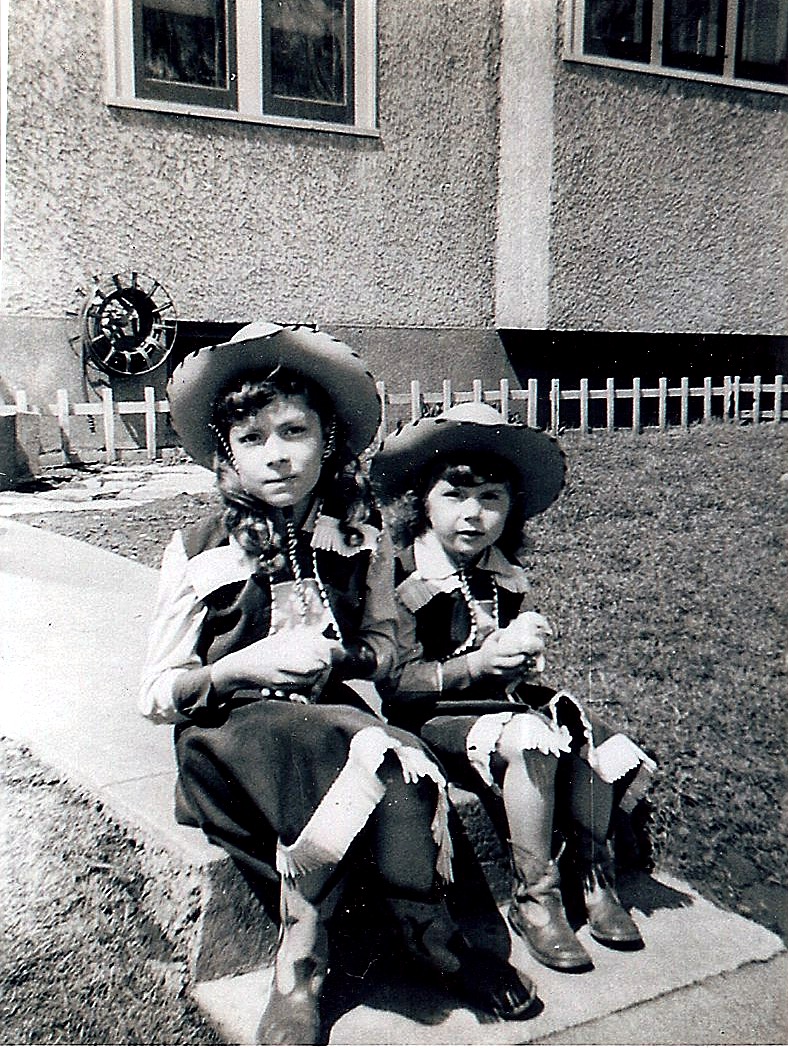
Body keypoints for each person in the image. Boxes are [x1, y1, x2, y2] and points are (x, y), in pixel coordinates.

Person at [138, 325, 535, 1044]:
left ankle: (425, 931)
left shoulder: (359, 537)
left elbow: (384, 647)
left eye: (295, 430)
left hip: (332, 713)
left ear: (328, 441)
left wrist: (347, 657)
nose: (278, 453)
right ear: (227, 451)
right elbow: (157, 693)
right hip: (230, 733)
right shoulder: (200, 548)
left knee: (402, 767)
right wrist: (240, 666)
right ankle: (304, 956)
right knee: (351, 745)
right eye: (253, 437)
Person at [372, 401, 657, 973]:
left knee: (583, 729)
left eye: (492, 498)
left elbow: (501, 660)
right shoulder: (401, 570)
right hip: (432, 713)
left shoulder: (500, 571)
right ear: (422, 502)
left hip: (492, 700)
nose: (473, 516)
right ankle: (536, 895)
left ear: (513, 509)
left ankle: (593, 873)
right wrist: (480, 664)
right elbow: (397, 684)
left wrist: (518, 657)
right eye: (454, 496)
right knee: (529, 737)